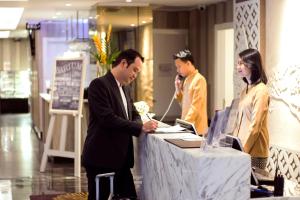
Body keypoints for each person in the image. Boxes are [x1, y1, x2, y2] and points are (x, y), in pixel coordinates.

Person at [82, 49, 158, 200]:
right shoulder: (98, 85)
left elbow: (135, 114)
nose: (135, 75)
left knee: (129, 196)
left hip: (121, 159)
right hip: (101, 157)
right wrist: (140, 127)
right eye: (134, 70)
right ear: (124, 64)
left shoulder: (125, 88)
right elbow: (107, 119)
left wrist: (139, 123)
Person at [233, 48, 270, 170]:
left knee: (250, 188)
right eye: (238, 63)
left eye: (241, 63)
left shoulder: (261, 90)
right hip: (241, 151)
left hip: (254, 153)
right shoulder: (245, 90)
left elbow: (255, 126)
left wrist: (243, 150)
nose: (238, 66)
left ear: (252, 65)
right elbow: (238, 123)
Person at [174, 49, 208, 135]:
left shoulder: (199, 79)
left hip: (197, 129)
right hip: (188, 127)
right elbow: (184, 104)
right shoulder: (187, 80)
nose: (177, 70)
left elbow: (195, 106)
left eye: (179, 66)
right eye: (176, 67)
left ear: (188, 63)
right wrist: (178, 88)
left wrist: (184, 125)